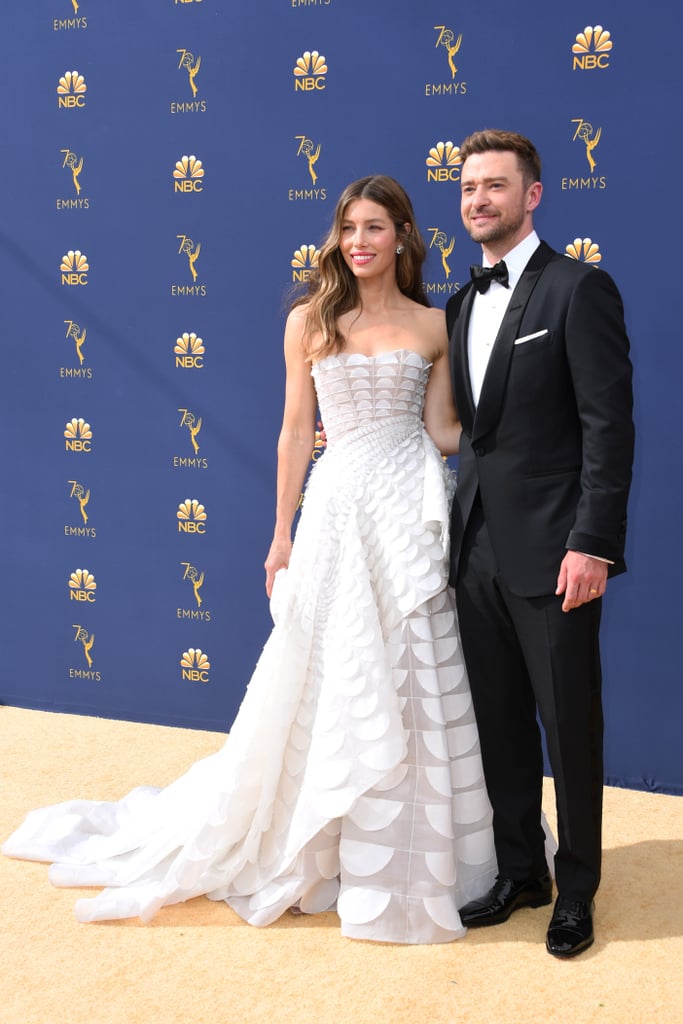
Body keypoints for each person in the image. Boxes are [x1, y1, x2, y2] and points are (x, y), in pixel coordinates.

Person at [3, 176, 498, 944]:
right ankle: (316, 835)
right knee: (331, 667)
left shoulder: (436, 324)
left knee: (411, 662)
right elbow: (296, 432)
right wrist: (279, 533)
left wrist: (519, 435)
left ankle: (400, 849)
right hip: (336, 507)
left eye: (374, 227)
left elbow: (439, 429)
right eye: (347, 228)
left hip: (407, 503)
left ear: (402, 236)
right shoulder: (310, 319)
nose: (359, 241)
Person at [445, 130, 634, 957]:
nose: (477, 200)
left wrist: (592, 541)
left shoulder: (577, 289)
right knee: (498, 724)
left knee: (569, 724)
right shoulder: (458, 302)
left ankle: (577, 888)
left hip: (557, 550)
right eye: (466, 189)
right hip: (474, 550)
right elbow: (469, 436)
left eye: (494, 185)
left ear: (533, 195)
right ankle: (520, 869)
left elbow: (608, 429)